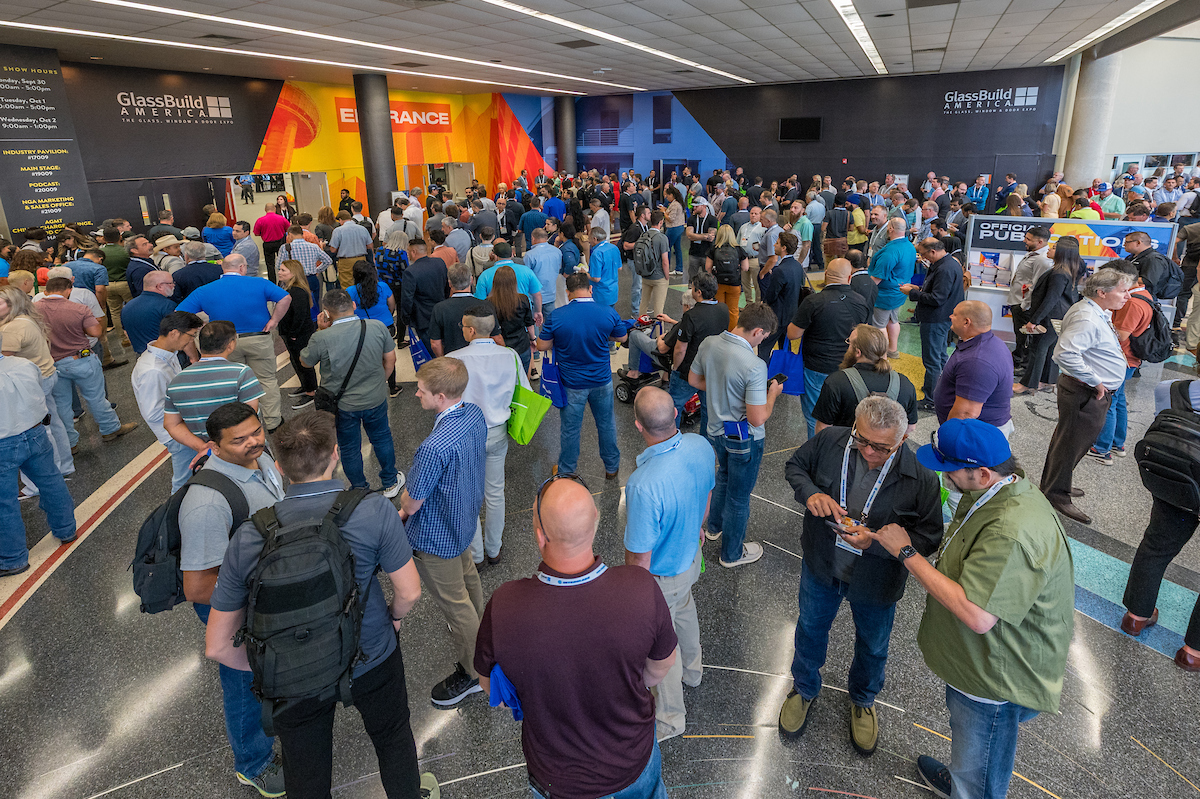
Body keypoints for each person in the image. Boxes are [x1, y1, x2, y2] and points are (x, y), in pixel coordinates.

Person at [203, 409, 437, 799]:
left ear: (279, 468)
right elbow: (410, 591)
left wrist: (270, 664)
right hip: (370, 653)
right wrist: (393, 620)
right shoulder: (372, 509)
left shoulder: (250, 535)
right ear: (335, 455)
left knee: (305, 769)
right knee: (392, 735)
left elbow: (216, 646)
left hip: (292, 675)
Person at [869, 419, 1073, 799]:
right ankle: (963, 775)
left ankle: (969, 787)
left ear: (981, 473)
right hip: (982, 657)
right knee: (972, 744)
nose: (945, 478)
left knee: (981, 753)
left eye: (950, 471)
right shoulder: (1003, 489)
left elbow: (978, 615)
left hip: (994, 672)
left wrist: (906, 552)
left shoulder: (1011, 531)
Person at [474, 475, 677, 799]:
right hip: (634, 762)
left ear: (540, 536)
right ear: (596, 521)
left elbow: (491, 687)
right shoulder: (640, 588)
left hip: (558, 779)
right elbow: (662, 664)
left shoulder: (505, 605)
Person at [780, 396, 942, 753]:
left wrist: (879, 544)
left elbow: (929, 537)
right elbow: (795, 466)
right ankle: (804, 688)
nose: (868, 452)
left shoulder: (921, 476)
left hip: (876, 580)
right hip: (822, 564)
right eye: (862, 440)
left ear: (902, 439)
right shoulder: (831, 440)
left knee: (873, 644)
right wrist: (810, 494)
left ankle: (864, 699)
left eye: (881, 448)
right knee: (810, 629)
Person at [176, 402, 287, 798]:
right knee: (244, 680)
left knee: (267, 669)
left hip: (265, 593)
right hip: (236, 604)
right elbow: (197, 586)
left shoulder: (260, 457)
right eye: (239, 440)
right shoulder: (207, 503)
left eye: (256, 431)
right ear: (214, 446)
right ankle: (253, 764)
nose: (253, 442)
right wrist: (254, 598)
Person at [623, 387, 715, 741]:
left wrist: (634, 595)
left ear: (638, 425)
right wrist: (698, 528)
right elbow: (707, 492)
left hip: (663, 576)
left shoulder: (643, 485)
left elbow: (639, 555)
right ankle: (694, 671)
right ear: (676, 413)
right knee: (685, 610)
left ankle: (670, 719)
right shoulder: (700, 445)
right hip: (691, 556)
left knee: (662, 647)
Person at [399, 357, 488, 706]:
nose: (416, 394)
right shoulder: (474, 414)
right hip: (463, 519)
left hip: (436, 535)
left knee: (455, 605)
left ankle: (474, 672)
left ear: (440, 396)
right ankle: (484, 638)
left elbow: (412, 502)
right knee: (469, 582)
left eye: (421, 390)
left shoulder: (434, 447)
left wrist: (401, 506)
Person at [689, 302, 786, 568]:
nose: (762, 342)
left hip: (715, 430)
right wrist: (772, 394)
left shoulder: (709, 343)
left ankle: (714, 527)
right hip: (744, 439)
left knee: (723, 475)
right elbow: (757, 418)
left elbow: (694, 380)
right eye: (764, 337)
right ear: (757, 331)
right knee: (739, 498)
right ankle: (732, 554)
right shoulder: (754, 365)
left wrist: (720, 388)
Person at [1040, 267, 1134, 524]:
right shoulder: (1087, 317)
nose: (1127, 296)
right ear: (1102, 292)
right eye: (1123, 291)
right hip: (1085, 391)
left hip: (1089, 390)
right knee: (1070, 443)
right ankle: (1056, 495)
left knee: (1070, 442)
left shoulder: (1096, 311)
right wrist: (1096, 381)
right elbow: (1065, 354)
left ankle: (1058, 483)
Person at [1121, 379, 1200, 670]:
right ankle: (1192, 651)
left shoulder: (1169, 389)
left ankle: (1136, 617)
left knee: (1156, 546)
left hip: (1179, 486)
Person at [300, 289, 401, 496]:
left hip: (342, 405)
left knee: (349, 447)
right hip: (375, 398)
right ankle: (390, 482)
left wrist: (320, 330)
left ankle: (359, 488)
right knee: (382, 438)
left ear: (326, 313)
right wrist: (379, 382)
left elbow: (305, 362)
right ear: (353, 305)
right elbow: (390, 359)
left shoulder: (322, 337)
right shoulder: (377, 326)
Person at [177, 253, 291, 433]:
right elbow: (285, 298)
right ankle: (273, 422)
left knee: (233, 384)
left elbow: (180, 312)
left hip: (225, 343)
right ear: (242, 267)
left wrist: (202, 325)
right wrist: (274, 320)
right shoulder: (259, 283)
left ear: (223, 268)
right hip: (258, 338)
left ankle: (242, 424)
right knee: (266, 380)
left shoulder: (205, 290)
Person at [454, 305, 529, 567]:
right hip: (498, 432)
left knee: (469, 494)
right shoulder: (510, 356)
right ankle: (494, 549)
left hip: (466, 435)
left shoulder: (454, 359)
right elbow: (524, 391)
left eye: (463, 326)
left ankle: (475, 555)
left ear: (471, 331)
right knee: (496, 493)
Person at [536, 272, 627, 478]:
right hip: (602, 380)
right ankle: (612, 467)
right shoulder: (608, 312)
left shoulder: (557, 316)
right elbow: (622, 336)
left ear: (568, 293)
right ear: (590, 289)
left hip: (572, 384)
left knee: (570, 429)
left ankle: (567, 471)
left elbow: (542, 345)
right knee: (606, 424)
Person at [37, 277, 139, 448]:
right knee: (96, 398)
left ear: (46, 292)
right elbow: (96, 331)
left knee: (61, 405)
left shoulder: (34, 309)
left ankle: (69, 443)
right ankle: (110, 429)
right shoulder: (77, 308)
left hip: (52, 363)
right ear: (69, 290)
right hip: (81, 359)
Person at [0, 350, 77, 575]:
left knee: (5, 501)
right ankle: (66, 529)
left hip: (3, 443)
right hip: (35, 432)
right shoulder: (24, 364)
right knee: (51, 481)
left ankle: (13, 558)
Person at [787, 258, 871, 436]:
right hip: (850, 368)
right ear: (849, 277)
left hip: (816, 367)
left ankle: (818, 448)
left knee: (815, 416)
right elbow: (864, 334)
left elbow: (792, 334)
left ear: (826, 275)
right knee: (846, 416)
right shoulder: (861, 301)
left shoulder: (813, 301)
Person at [130, 310, 203, 492]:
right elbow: (154, 413)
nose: (191, 341)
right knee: (184, 479)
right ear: (174, 333)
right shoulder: (153, 370)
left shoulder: (167, 354)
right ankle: (177, 508)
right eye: (191, 336)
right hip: (177, 433)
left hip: (181, 426)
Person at [1090, 261, 1152, 464]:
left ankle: (1102, 449)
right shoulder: (1144, 295)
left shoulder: (1132, 303)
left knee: (1109, 402)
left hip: (1122, 359)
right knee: (1118, 401)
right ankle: (1117, 443)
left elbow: (1122, 334)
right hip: (1129, 359)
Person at [810, 325, 919, 433]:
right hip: (888, 444)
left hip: (846, 443)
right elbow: (910, 427)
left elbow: (823, 428)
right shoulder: (905, 384)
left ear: (858, 352)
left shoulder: (836, 382)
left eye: (849, 343)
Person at [899, 238, 965, 409]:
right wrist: (918, 289)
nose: (922, 258)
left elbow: (937, 298)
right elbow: (938, 291)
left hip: (935, 319)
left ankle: (931, 400)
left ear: (933, 251)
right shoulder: (949, 264)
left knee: (932, 360)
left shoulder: (944, 269)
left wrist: (912, 294)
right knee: (940, 356)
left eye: (923, 254)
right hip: (942, 318)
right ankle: (939, 388)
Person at [1014, 238, 1082, 397]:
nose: (1049, 250)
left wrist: (1034, 320)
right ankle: (1047, 381)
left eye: (1054, 248)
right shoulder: (1067, 270)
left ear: (1062, 253)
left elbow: (1051, 298)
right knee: (1050, 349)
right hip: (1059, 316)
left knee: (1037, 349)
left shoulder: (1059, 273)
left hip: (1050, 317)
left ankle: (1027, 384)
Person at [935, 301, 1015, 437]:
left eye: (955, 314)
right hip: (978, 430)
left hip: (975, 436)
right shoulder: (990, 342)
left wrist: (948, 438)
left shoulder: (977, 361)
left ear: (966, 322)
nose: (950, 317)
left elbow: (965, 414)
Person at [347, 259, 401, 398]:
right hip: (385, 326)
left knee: (368, 358)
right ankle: (393, 387)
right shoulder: (383, 286)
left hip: (363, 329)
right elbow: (392, 305)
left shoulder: (350, 291)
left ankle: (370, 387)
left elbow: (349, 311)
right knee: (388, 356)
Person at [1006, 227, 1053, 373]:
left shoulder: (1042, 259)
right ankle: (1018, 360)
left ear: (1040, 242)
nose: (1024, 241)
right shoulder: (1033, 254)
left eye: (1028, 239)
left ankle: (1024, 366)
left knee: (1026, 338)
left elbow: (1036, 285)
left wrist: (1025, 305)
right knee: (1020, 336)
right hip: (1018, 301)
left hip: (1025, 304)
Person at [868, 217, 916, 358]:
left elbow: (877, 277)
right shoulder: (909, 246)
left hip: (885, 294)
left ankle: (881, 357)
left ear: (890, 229)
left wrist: (864, 291)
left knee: (879, 326)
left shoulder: (890, 251)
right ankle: (892, 350)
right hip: (900, 291)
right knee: (893, 320)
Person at [757, 231, 808, 361]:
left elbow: (771, 295)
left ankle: (762, 370)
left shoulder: (780, 270)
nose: (774, 245)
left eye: (777, 243)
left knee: (764, 347)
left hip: (777, 317)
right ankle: (784, 369)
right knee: (786, 347)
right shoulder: (797, 266)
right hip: (791, 315)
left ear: (784, 248)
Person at [275, 261, 319, 410]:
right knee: (295, 361)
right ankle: (305, 385)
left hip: (299, 334)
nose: (279, 272)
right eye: (280, 269)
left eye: (283, 270)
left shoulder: (297, 292)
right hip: (290, 332)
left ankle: (311, 391)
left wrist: (293, 334)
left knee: (304, 362)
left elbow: (300, 316)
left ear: (293, 273)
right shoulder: (289, 288)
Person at [487, 265, 537, 374]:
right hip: (521, 345)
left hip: (499, 347)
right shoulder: (523, 299)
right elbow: (529, 323)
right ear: (514, 282)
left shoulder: (489, 303)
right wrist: (533, 339)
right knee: (523, 378)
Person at [401, 238, 450, 348]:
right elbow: (447, 286)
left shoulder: (410, 272)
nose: (407, 254)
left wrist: (406, 318)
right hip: (441, 311)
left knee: (430, 348)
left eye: (408, 251)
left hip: (423, 317)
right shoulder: (440, 263)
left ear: (413, 252)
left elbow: (407, 298)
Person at [706, 224, 749, 329]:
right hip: (734, 284)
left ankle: (719, 331)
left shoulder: (714, 249)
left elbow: (707, 267)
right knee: (733, 311)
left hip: (718, 284)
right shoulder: (738, 250)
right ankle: (731, 332)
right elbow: (746, 268)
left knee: (718, 310)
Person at [523, 227, 562, 321]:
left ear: (533, 238)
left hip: (534, 296)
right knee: (551, 322)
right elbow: (558, 268)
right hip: (551, 293)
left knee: (534, 321)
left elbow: (526, 276)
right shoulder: (557, 251)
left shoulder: (530, 255)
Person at [328, 211, 373, 288]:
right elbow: (370, 246)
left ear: (340, 220)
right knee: (362, 282)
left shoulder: (338, 230)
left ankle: (350, 296)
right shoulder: (362, 229)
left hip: (346, 261)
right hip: (361, 259)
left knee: (347, 284)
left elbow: (333, 250)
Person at [253, 203, 290, 283]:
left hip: (268, 244)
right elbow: (288, 229)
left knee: (270, 264)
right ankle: (284, 280)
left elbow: (256, 233)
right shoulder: (282, 218)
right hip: (280, 242)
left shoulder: (260, 220)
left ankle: (272, 282)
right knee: (283, 262)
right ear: (275, 209)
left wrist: (264, 233)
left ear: (265, 210)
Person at [587, 227, 622, 310]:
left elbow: (596, 278)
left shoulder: (596, 253)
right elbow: (619, 267)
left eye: (589, 237)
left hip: (600, 293)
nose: (588, 240)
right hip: (613, 290)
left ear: (595, 239)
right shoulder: (614, 248)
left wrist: (585, 273)